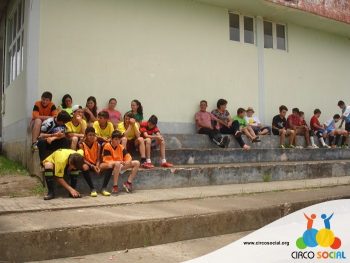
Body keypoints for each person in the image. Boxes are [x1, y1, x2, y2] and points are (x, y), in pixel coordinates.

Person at [99, 130, 140, 195]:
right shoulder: (107, 146)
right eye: (116, 139)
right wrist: (120, 162)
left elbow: (128, 156)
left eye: (119, 139)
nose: (118, 141)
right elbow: (108, 161)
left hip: (120, 166)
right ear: (111, 139)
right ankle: (115, 186)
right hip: (111, 167)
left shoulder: (121, 147)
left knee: (137, 163)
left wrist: (127, 162)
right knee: (117, 164)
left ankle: (128, 183)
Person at [79, 127, 100, 197]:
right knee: (85, 167)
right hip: (87, 163)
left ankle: (104, 187)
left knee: (108, 166)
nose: (92, 137)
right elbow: (83, 159)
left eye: (93, 135)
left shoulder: (97, 145)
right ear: (86, 135)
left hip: (95, 164)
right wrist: (92, 166)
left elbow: (98, 158)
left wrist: (97, 165)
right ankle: (92, 188)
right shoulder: (81, 144)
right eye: (90, 135)